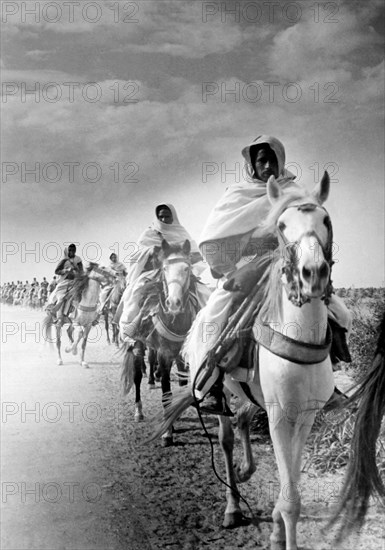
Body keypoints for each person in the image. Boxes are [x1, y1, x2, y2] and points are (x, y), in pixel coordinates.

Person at [184, 135, 352, 415]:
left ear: (280, 159)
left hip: (288, 267)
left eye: (272, 158)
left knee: (339, 313)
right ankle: (210, 385)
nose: (267, 165)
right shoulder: (237, 195)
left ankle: (327, 380)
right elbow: (213, 240)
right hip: (246, 269)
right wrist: (237, 269)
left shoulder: (293, 191)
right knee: (213, 314)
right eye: (261, 160)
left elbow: (308, 229)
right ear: (252, 164)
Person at [118, 204, 207, 342]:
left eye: (167, 216)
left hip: (179, 274)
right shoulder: (149, 233)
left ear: (173, 217)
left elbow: (196, 255)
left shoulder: (182, 233)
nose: (164, 219)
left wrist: (191, 267)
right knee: (134, 294)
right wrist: (149, 251)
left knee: (205, 294)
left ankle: (205, 332)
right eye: (161, 216)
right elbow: (135, 256)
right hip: (153, 273)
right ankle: (130, 332)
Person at [46, 244, 83, 319]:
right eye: (70, 250)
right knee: (60, 297)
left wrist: (77, 272)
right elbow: (56, 271)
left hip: (75, 281)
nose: (71, 252)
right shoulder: (64, 260)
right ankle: (53, 309)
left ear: (75, 251)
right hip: (64, 281)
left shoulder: (78, 259)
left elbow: (81, 271)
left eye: (73, 250)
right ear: (68, 251)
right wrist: (65, 270)